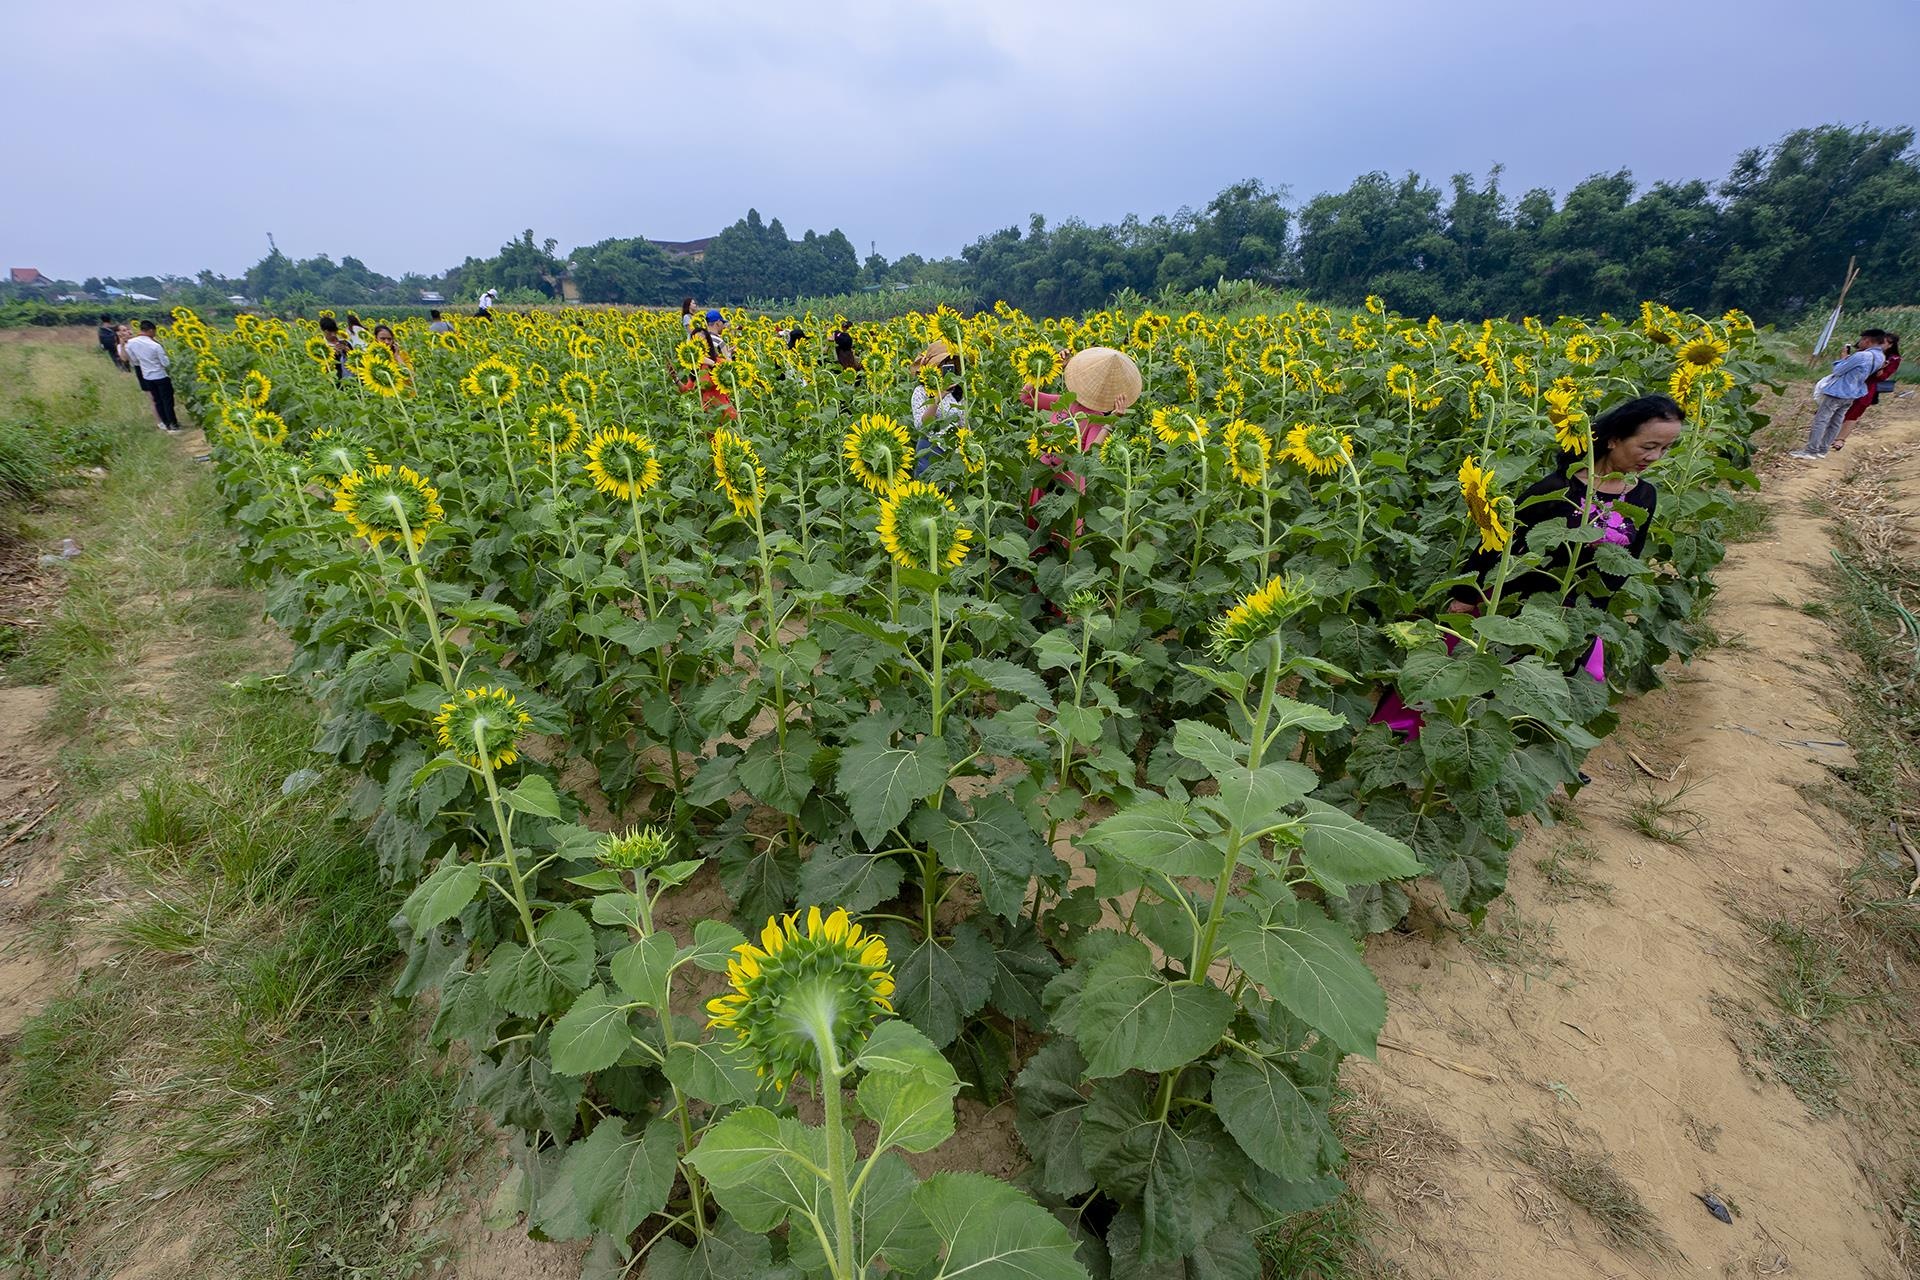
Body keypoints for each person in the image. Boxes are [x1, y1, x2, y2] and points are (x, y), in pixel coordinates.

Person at [1791, 330, 1887, 460]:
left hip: (1839, 391)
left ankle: (1811, 450)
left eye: (1862, 340)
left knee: (1821, 419)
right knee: (1836, 421)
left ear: (1867, 341)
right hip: (1853, 392)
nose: (1859, 343)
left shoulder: (1862, 356)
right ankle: (1823, 449)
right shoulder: (1880, 357)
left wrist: (1843, 358)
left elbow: (1838, 370)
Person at [1833, 332, 1901, 451]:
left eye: (1884, 342)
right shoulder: (1865, 352)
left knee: (1854, 413)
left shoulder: (1893, 359)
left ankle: (1840, 439)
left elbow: (1882, 376)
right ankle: (1829, 436)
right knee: (1837, 410)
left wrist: (1880, 370)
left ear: (1891, 345)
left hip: (1867, 387)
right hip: (1850, 384)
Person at [910, 341, 966, 471]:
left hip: (954, 452)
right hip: (931, 449)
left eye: (950, 362)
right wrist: (939, 397)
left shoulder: (956, 391)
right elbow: (921, 425)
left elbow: (962, 422)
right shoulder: (921, 392)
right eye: (943, 362)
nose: (947, 366)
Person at [125, 319, 181, 432]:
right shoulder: (155, 345)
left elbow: (134, 361)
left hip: (147, 377)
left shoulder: (131, 343)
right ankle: (174, 425)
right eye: (154, 331)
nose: (155, 334)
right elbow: (165, 363)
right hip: (160, 375)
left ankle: (166, 424)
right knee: (167, 401)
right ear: (150, 330)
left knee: (157, 401)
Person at [319, 315, 352, 382]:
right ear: (323, 331)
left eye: (334, 331)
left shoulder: (344, 342)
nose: (333, 334)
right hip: (334, 380)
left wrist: (348, 351)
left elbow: (354, 359)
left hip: (350, 379)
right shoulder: (321, 347)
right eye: (329, 332)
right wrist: (333, 354)